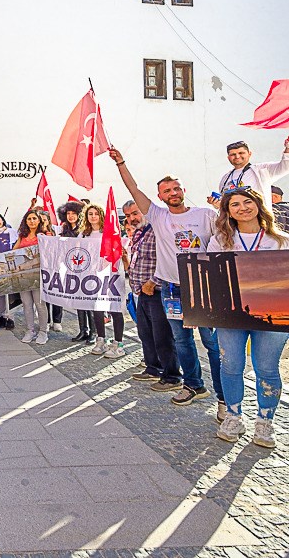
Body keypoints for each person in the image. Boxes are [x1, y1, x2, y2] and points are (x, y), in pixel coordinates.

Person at [109, 147, 225, 417]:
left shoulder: (205, 215)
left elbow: (224, 241)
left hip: (203, 289)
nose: (173, 193)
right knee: (182, 341)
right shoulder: (158, 216)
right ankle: (194, 384)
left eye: (177, 189)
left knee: (212, 343)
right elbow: (133, 188)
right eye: (167, 191)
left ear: (183, 190)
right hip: (171, 289)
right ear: (160, 196)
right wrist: (121, 163)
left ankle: (223, 396)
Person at [208, 187, 289, 448]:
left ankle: (265, 421)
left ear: (259, 205)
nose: (242, 208)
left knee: (267, 368)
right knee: (231, 365)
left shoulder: (282, 241)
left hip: (273, 315)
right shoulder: (220, 241)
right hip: (230, 315)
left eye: (247, 202)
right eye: (234, 204)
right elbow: (210, 280)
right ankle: (234, 416)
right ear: (228, 212)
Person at [122, 201, 182, 393]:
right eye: (128, 216)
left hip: (156, 290)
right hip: (141, 291)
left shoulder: (157, 231)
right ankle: (153, 368)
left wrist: (153, 281)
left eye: (135, 213)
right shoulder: (139, 233)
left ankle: (172, 376)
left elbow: (167, 259)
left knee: (163, 336)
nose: (132, 219)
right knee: (146, 333)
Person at [78, 204, 127, 358]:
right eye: (90, 214)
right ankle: (101, 339)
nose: (93, 216)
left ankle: (118, 342)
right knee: (97, 309)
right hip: (92, 277)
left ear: (101, 215)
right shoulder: (84, 235)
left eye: (96, 213)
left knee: (115, 308)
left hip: (111, 275)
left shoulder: (109, 233)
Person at [214, 128, 289, 205]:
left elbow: (287, 166)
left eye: (241, 153)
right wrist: (217, 204)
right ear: (228, 157)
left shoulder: (262, 170)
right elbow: (225, 202)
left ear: (249, 154)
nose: (237, 156)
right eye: (233, 154)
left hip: (257, 221)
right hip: (232, 223)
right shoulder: (226, 178)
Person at [58, 201, 94, 342]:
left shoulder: (84, 230)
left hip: (86, 269)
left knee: (89, 302)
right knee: (78, 302)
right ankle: (83, 330)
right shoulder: (64, 230)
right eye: (68, 213)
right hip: (72, 270)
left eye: (74, 213)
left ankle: (94, 332)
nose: (71, 216)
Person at [14, 210, 50, 344]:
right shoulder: (22, 236)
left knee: (40, 304)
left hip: (38, 274)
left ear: (39, 220)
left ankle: (43, 331)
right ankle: (30, 330)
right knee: (26, 304)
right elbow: (13, 251)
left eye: (34, 218)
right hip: (23, 275)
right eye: (29, 219)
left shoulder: (45, 234)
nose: (32, 221)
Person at [0, 212, 17, 330]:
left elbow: (16, 246)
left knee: (10, 292)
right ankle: (2, 316)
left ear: (2, 219)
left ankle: (11, 317)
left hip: (10, 264)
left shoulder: (12, 232)